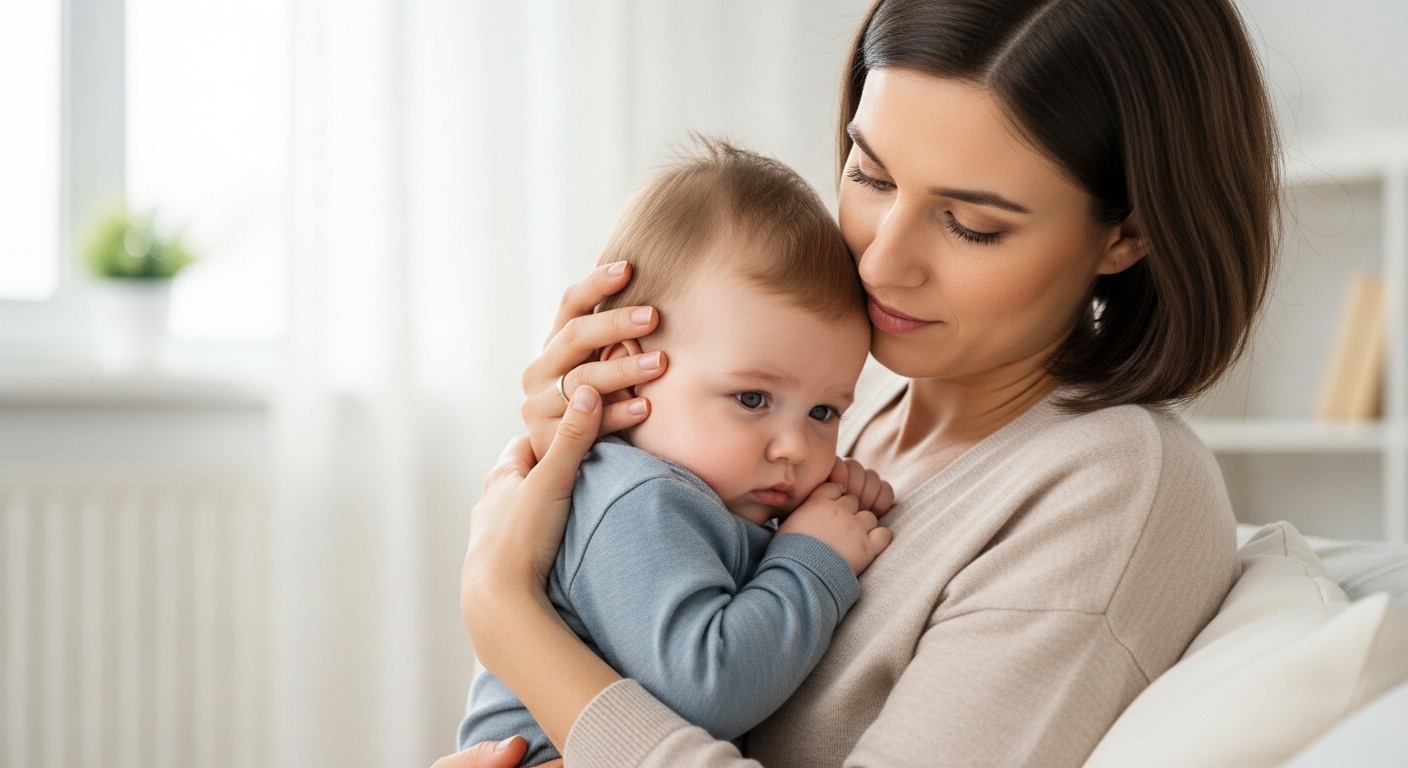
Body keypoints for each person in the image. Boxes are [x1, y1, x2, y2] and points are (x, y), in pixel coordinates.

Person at [438, 0, 1279, 765]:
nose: (879, 260)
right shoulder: (845, 404)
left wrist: (507, 614)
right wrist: (582, 448)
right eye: (870, 175)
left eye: (970, 224)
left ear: (1125, 235)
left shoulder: (1113, 488)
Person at [457, 140, 894, 766]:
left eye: (825, 412)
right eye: (751, 398)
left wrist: (841, 508)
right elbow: (709, 689)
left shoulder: (705, 493)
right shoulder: (637, 495)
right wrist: (814, 556)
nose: (797, 447)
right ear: (628, 376)